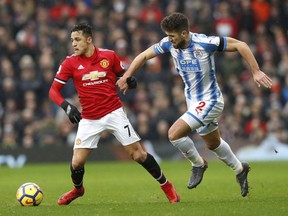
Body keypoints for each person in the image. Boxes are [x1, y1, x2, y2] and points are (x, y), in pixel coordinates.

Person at [117, 12, 273, 197]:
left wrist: (255, 71)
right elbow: (143, 56)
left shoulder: (205, 43)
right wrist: (127, 76)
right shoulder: (168, 44)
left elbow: (241, 45)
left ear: (184, 33)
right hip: (194, 102)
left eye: (172, 36)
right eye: (167, 36)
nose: (169, 40)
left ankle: (198, 164)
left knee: (173, 134)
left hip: (211, 100)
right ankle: (240, 169)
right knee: (213, 143)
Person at [49, 23, 180, 205]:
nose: (74, 44)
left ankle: (167, 186)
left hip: (113, 112)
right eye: (72, 40)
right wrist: (66, 106)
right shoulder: (69, 62)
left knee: (138, 155)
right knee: (77, 162)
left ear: (89, 40)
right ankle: (78, 190)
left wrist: (130, 81)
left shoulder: (108, 56)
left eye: (77, 39)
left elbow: (123, 76)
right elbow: (53, 91)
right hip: (89, 118)